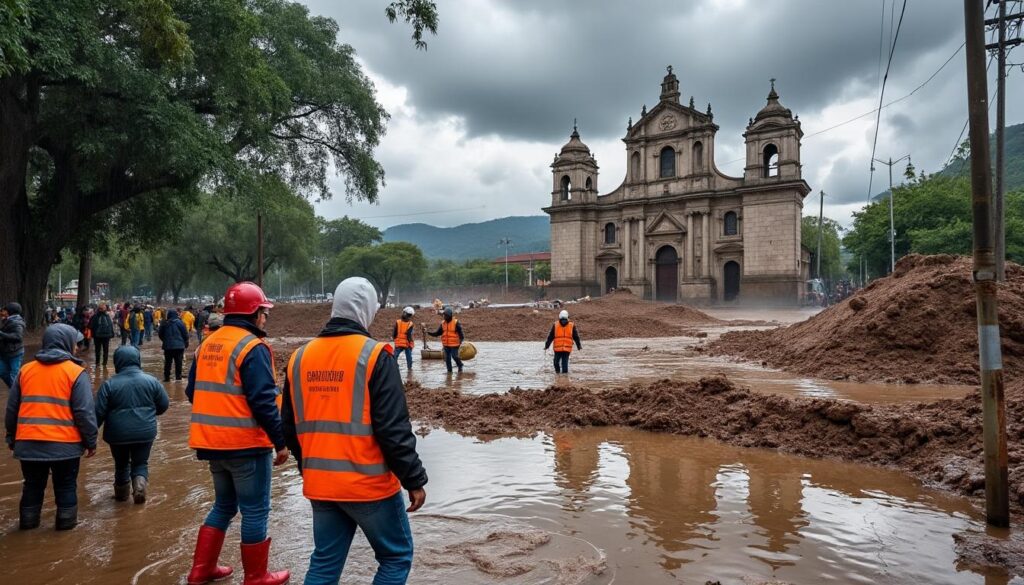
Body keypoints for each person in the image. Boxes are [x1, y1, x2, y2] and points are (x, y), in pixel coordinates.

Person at [282, 277, 427, 584]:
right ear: (366, 310)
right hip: (368, 485)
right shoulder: (375, 356)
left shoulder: (299, 358)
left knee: (324, 563)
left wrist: (308, 466)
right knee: (396, 557)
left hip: (321, 484)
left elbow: (288, 427)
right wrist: (413, 479)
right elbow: (393, 429)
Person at [184, 281, 290, 585]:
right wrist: (280, 442)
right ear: (254, 313)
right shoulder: (252, 348)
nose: (266, 319)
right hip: (245, 446)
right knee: (256, 510)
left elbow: (194, 391)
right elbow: (263, 402)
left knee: (224, 505)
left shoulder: (207, 345)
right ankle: (256, 576)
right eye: (264, 312)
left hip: (211, 444)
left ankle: (201, 570)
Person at [4, 324, 97, 530]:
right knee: (65, 487)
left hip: (28, 443)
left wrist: (12, 437)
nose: (77, 347)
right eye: (75, 343)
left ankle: (27, 528)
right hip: (65, 445)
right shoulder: (75, 373)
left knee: (31, 486)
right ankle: (65, 532)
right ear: (67, 344)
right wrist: (91, 441)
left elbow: (12, 409)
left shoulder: (25, 371)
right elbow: (84, 412)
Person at [95, 345, 169, 504]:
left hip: (117, 434)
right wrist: (149, 414)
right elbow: (163, 404)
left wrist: (89, 436)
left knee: (121, 464)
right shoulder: (152, 381)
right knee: (141, 462)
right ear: (138, 360)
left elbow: (98, 413)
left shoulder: (108, 385)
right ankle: (140, 485)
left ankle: (121, 497)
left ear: (117, 362)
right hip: (145, 431)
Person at [425, 306, 463, 373]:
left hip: (455, 344)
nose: (444, 317)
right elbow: (437, 333)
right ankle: (449, 372)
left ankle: (460, 365)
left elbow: (461, 334)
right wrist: (428, 332)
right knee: (447, 359)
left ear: (450, 315)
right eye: (444, 315)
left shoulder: (456, 323)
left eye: (446, 315)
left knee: (454, 356)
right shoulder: (443, 324)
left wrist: (461, 341)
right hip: (446, 344)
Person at [544, 310, 582, 374]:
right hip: (557, 348)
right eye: (562, 320)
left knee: (564, 364)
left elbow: (576, 336)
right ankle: (558, 374)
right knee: (556, 363)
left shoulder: (571, 325)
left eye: (564, 320)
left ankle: (563, 379)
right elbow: (551, 336)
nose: (563, 321)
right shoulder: (555, 325)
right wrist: (547, 345)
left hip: (567, 348)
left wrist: (579, 345)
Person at [158, 309, 190, 382]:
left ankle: (167, 378)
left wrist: (165, 340)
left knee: (168, 362)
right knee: (178, 362)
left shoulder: (164, 323)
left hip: (167, 347)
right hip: (179, 347)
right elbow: (185, 334)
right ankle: (178, 378)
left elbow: (160, 334)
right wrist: (185, 342)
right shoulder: (180, 322)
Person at [0, 302, 26, 388]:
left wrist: (1, 334)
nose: (3, 312)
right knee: (2, 371)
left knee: (14, 375)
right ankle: (15, 390)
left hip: (15, 353)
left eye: (5, 310)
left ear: (10, 311)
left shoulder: (17, 322)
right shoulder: (7, 319)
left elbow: (18, 336)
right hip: (5, 352)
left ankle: (16, 393)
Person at [88, 302, 116, 369]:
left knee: (98, 350)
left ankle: (98, 364)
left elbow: (90, 326)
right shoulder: (107, 316)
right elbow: (110, 326)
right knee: (105, 350)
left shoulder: (95, 316)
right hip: (105, 336)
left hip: (98, 336)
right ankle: (104, 364)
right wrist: (112, 334)